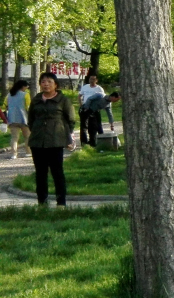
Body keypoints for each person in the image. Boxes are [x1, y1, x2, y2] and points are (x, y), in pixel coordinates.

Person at [28, 72, 76, 206]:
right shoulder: (36, 100)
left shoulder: (63, 100)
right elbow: (31, 119)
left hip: (56, 141)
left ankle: (61, 203)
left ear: (56, 84)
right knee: (40, 174)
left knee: (57, 173)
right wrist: (37, 131)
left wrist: (67, 136)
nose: (46, 84)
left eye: (49, 81)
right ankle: (42, 203)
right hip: (37, 142)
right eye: (43, 82)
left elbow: (71, 119)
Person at [5, 80, 31, 159]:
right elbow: (28, 107)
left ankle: (14, 154)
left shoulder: (9, 95)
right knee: (27, 136)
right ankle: (28, 152)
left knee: (14, 137)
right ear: (23, 86)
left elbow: (5, 105)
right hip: (23, 118)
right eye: (26, 86)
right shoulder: (26, 95)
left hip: (12, 119)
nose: (27, 88)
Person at [78, 73, 105, 142]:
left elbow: (103, 98)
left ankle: (93, 140)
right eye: (90, 79)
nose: (91, 80)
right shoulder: (85, 87)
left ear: (96, 80)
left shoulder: (99, 89)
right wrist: (81, 104)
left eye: (93, 79)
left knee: (94, 125)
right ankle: (84, 142)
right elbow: (79, 95)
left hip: (94, 109)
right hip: (85, 108)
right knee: (83, 125)